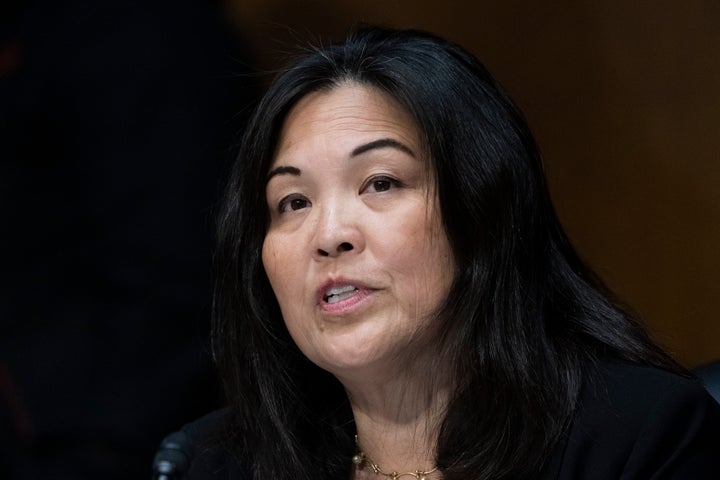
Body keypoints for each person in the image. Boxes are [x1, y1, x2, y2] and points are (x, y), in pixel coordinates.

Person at [174, 27, 720, 479]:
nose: (330, 233)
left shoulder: (638, 437)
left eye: (381, 183)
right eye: (292, 201)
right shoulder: (220, 464)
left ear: (481, 213)